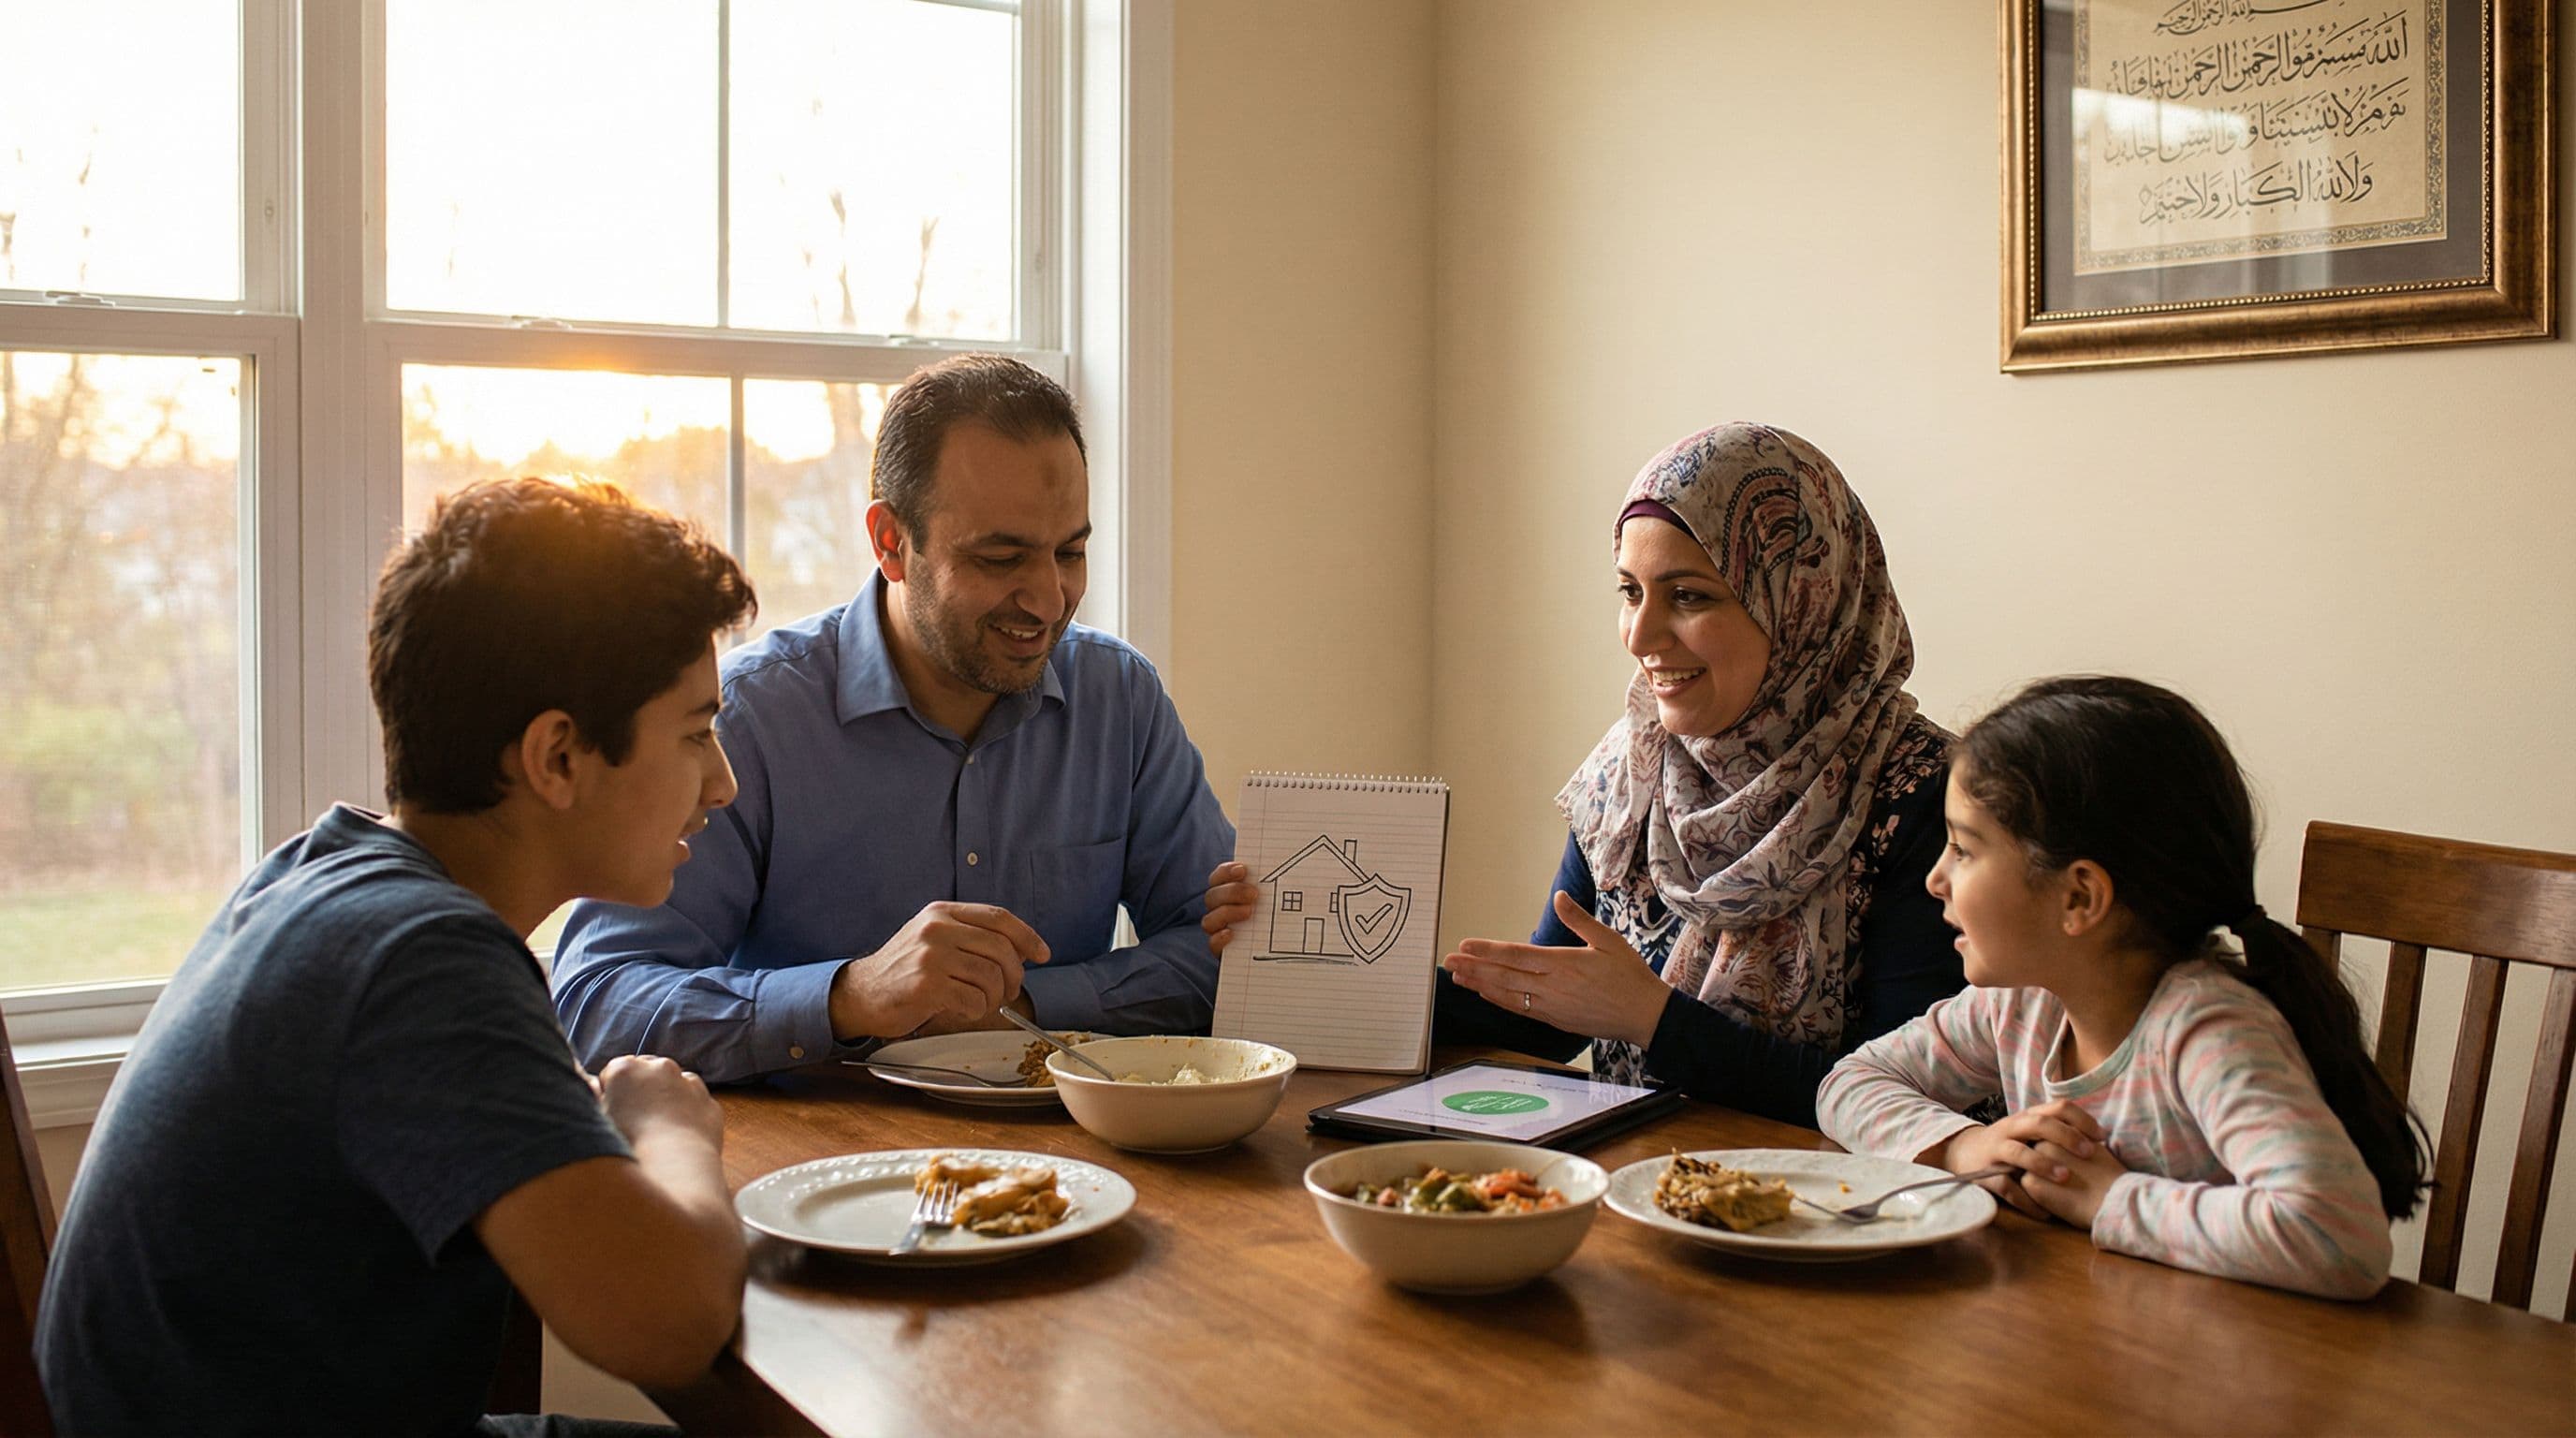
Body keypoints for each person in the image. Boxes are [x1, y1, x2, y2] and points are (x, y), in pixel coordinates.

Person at [36, 479, 756, 1434]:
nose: (722, 782)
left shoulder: (328, 873)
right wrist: (669, 1127)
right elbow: (669, 1327)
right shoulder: (422, 960)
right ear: (557, 758)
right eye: (696, 733)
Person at [1207, 422, 1961, 1125]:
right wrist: (1294, 968)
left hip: (1835, 1209)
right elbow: (1546, 1011)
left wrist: (1654, 1020)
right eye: (1630, 591)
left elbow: (1906, 1105)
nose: (1640, 634)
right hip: (1642, 1188)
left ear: (1802, 601)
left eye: (1689, 596)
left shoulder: (1924, 794)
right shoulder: (1633, 770)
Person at [553, 354, 1232, 1083]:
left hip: (1075, 1144)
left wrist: (1025, 1005)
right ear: (890, 543)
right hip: (813, 1149)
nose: (1047, 599)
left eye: (1070, 552)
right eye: (1001, 558)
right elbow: (598, 1004)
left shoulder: (1120, 699)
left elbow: (1230, 958)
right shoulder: (747, 720)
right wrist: (850, 997)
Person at [1816, 675, 2423, 1300]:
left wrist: (2107, 1199)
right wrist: (1962, 1148)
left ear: (2079, 898)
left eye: (1964, 850)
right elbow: (1849, 1083)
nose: (1936, 879)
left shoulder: (2206, 1032)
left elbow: (2338, 1238)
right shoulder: (2022, 1004)